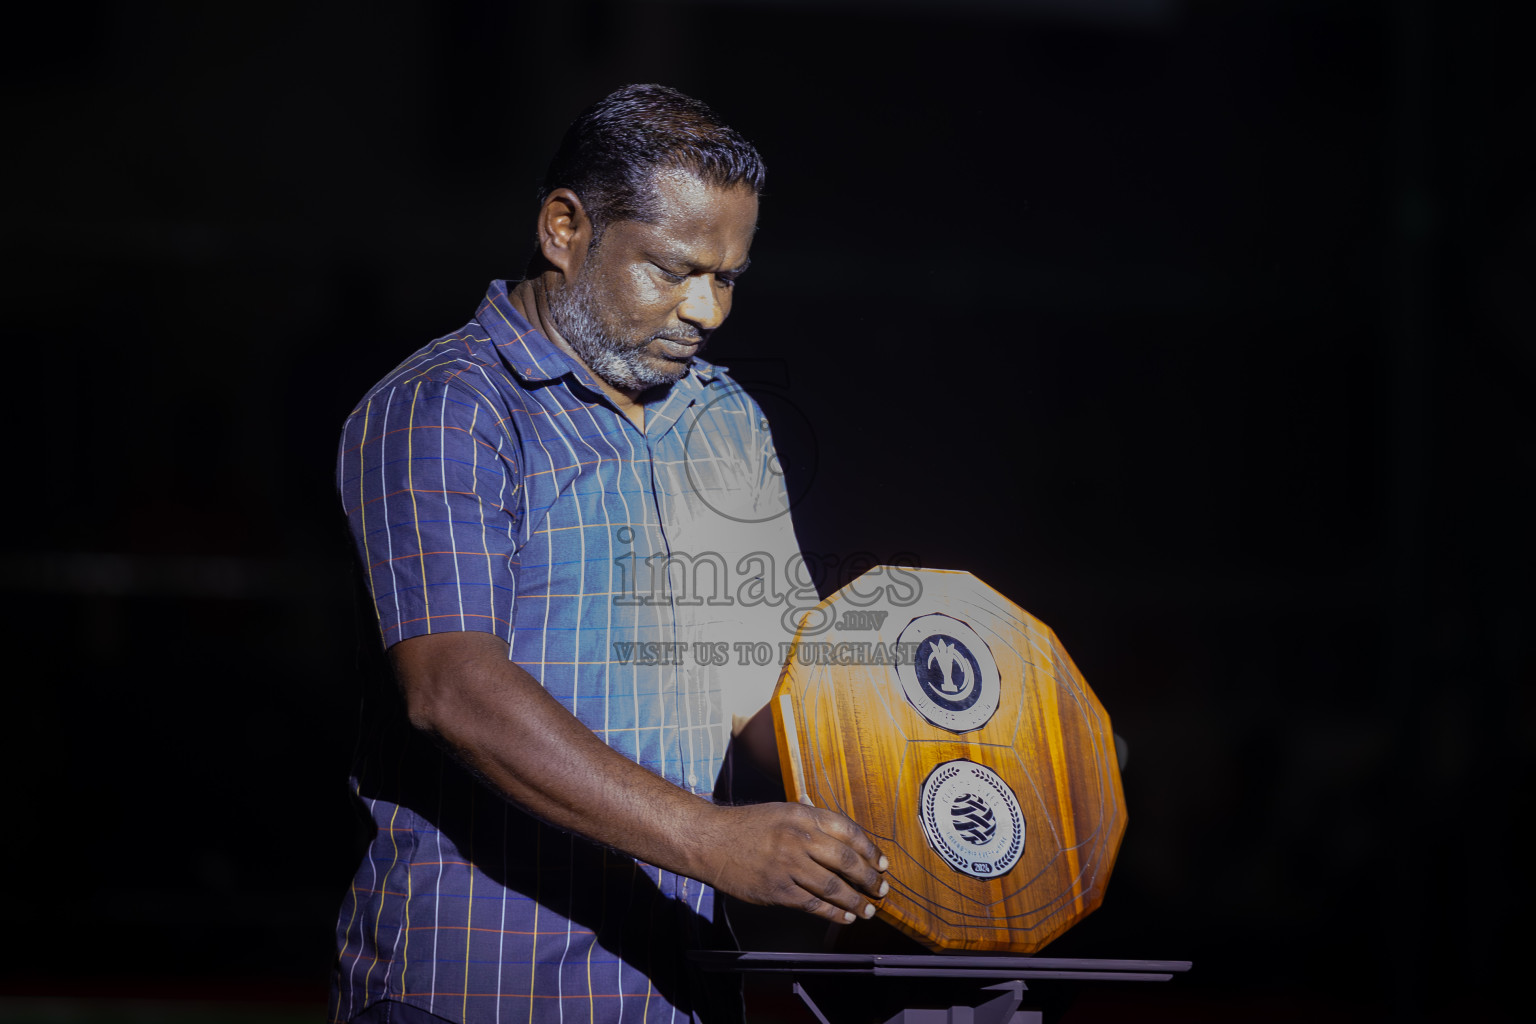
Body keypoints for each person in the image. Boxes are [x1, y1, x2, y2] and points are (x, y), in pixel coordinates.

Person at [330, 84, 888, 1024]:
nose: (707, 309)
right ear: (564, 228)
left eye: (729, 277)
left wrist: (948, 755)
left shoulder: (724, 420)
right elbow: (453, 690)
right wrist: (713, 842)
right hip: (472, 988)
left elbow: (769, 683)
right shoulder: (449, 406)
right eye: (673, 269)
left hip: (675, 990)